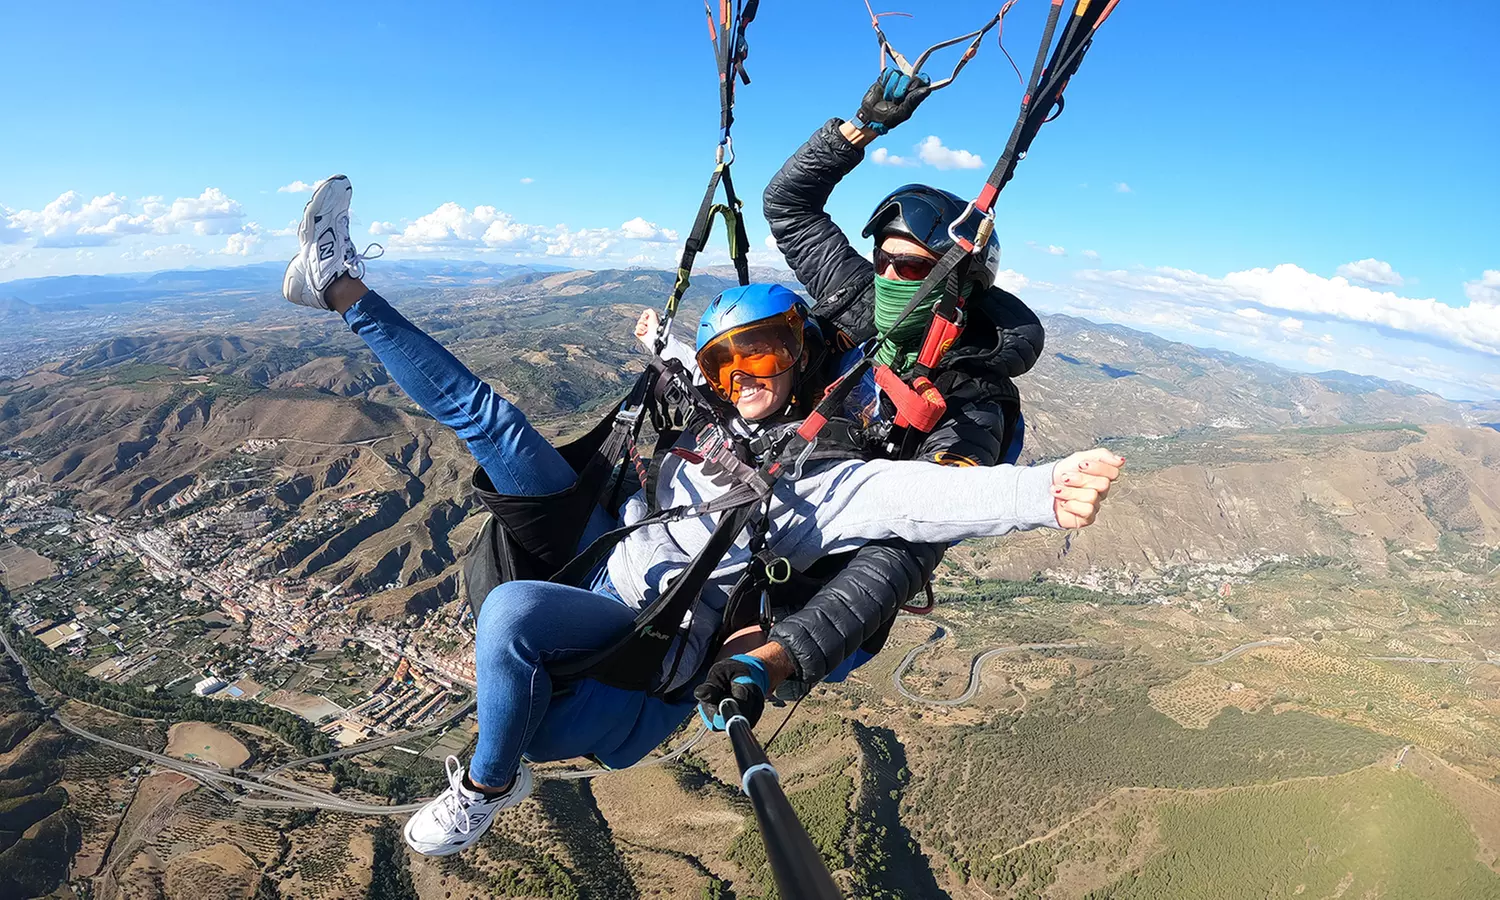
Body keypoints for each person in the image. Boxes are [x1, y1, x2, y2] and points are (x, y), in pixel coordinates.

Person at [281, 176, 1124, 857]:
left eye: (762, 359)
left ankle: (484, 791)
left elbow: (917, 501)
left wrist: (1041, 492)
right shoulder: (722, 404)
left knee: (511, 614)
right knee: (490, 420)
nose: (742, 377)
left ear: (800, 363)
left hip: (639, 624)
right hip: (601, 539)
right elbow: (714, 370)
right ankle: (338, 283)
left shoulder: (821, 483)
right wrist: (670, 349)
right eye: (729, 365)